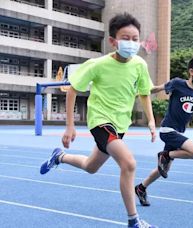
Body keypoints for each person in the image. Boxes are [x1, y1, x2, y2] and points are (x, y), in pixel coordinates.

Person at [39, 13, 157, 228]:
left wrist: (151, 121)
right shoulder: (97, 64)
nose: (131, 43)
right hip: (100, 121)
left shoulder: (139, 64)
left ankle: (60, 157)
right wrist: (70, 126)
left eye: (135, 38)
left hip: (121, 124)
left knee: (91, 166)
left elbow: (144, 93)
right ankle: (133, 221)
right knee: (129, 163)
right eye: (126, 38)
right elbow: (72, 90)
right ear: (113, 41)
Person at [135, 54, 193, 206]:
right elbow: (155, 89)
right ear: (192, 71)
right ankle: (165, 155)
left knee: (163, 169)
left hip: (178, 132)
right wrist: (136, 91)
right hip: (168, 129)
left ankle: (141, 187)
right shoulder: (178, 83)